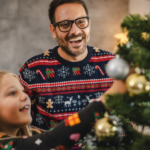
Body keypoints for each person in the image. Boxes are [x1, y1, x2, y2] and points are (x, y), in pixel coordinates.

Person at [19, 0, 115, 148]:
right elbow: (18, 122)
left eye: (81, 22)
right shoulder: (33, 70)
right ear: (53, 30)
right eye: (65, 24)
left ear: (89, 24)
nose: (75, 31)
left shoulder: (113, 65)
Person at [0, 70, 108, 150]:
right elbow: (52, 141)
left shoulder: (34, 135)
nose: (25, 96)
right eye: (12, 93)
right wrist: (105, 101)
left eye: (23, 91)